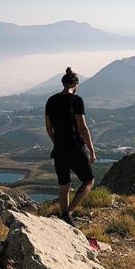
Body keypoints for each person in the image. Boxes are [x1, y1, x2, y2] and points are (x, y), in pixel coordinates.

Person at [44, 67, 96, 226]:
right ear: (76, 84)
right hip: (75, 147)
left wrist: (56, 143)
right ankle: (69, 212)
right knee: (89, 181)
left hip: (59, 150)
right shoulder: (76, 100)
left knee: (64, 186)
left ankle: (65, 220)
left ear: (63, 83)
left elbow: (48, 128)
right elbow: (83, 128)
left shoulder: (51, 100)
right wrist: (92, 151)